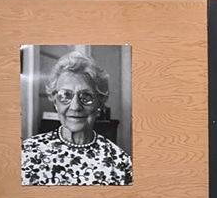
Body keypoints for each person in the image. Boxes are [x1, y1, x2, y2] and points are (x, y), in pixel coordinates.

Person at [21, 50, 133, 186]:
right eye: (65, 95)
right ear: (55, 102)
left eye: (86, 96)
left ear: (100, 103)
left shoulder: (120, 163)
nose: (75, 106)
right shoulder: (27, 153)